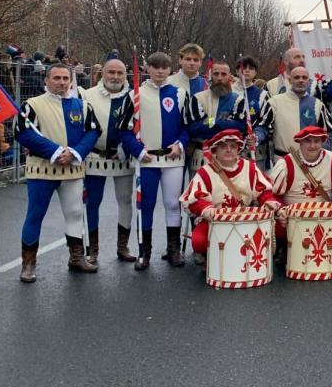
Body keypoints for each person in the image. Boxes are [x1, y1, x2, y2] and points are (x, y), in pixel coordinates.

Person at [15, 63, 101, 283]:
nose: (62, 82)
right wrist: (54, 151)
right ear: (47, 80)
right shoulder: (31, 105)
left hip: (72, 169)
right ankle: (28, 264)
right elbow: (23, 133)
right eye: (57, 78)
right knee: (35, 215)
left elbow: (93, 132)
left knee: (74, 214)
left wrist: (74, 152)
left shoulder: (82, 106)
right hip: (42, 169)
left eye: (65, 78)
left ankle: (76, 258)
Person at [118, 51, 202, 270]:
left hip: (173, 158)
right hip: (146, 160)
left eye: (164, 68)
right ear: (148, 69)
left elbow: (188, 128)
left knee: (173, 204)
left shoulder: (180, 94)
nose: (160, 72)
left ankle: (173, 250)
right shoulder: (134, 95)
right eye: (156, 67)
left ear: (170, 70)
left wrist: (180, 145)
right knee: (145, 205)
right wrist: (137, 150)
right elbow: (124, 131)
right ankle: (144, 252)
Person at [180, 129, 280, 266]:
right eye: (223, 146)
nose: (228, 150)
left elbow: (263, 190)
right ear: (215, 150)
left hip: (245, 220)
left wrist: (268, 201)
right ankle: (211, 259)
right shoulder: (205, 172)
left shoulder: (250, 168)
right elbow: (195, 199)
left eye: (232, 146)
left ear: (238, 149)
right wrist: (207, 210)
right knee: (198, 241)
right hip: (215, 222)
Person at [79, 58, 137, 264]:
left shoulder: (133, 97)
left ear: (126, 75)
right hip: (95, 156)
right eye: (111, 72)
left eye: (120, 73)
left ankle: (123, 247)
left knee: (125, 200)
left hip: (123, 157)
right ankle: (92, 249)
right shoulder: (87, 95)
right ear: (102, 73)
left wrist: (126, 147)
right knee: (92, 202)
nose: (115, 77)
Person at [269, 126, 332, 248]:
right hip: (292, 219)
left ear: (322, 142)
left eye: (317, 141)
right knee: (278, 225)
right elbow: (273, 194)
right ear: (300, 142)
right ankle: (284, 249)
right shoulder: (286, 163)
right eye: (308, 141)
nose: (313, 146)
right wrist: (281, 210)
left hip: (324, 218)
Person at [252, 66, 332, 160]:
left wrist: (320, 151)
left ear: (308, 81)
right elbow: (263, 127)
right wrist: (256, 137)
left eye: (304, 77)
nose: (300, 80)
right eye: (296, 77)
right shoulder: (274, 102)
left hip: (311, 162)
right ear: (290, 80)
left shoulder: (318, 105)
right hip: (283, 160)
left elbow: (328, 132)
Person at [188, 60, 248, 171]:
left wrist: (209, 121)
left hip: (229, 157)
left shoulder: (238, 100)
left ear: (229, 76)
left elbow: (239, 127)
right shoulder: (198, 98)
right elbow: (194, 129)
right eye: (216, 74)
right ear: (211, 75)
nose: (219, 78)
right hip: (202, 157)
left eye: (223, 74)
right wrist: (221, 122)